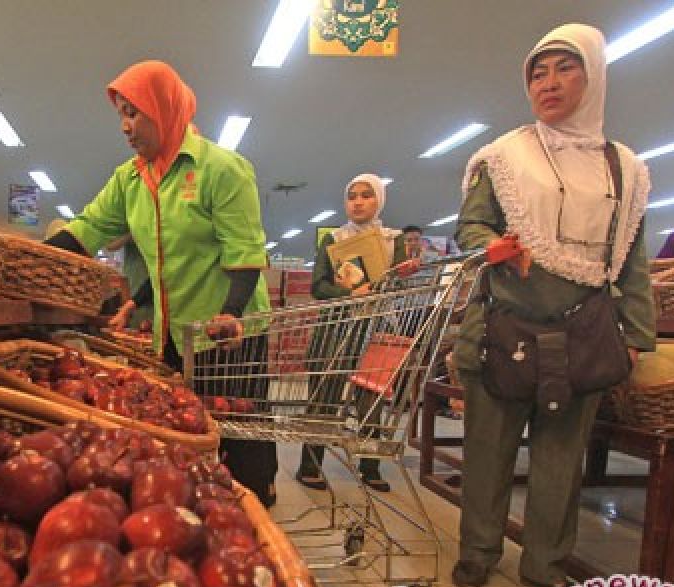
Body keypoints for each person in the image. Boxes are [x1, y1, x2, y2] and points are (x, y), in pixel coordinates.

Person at [449, 23, 654, 587]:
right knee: (489, 449)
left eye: (566, 68)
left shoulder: (624, 170)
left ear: (594, 77)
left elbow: (632, 257)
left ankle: (545, 563)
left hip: (582, 333)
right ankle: (478, 551)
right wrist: (492, 246)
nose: (549, 82)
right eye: (538, 72)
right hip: (503, 326)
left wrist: (636, 335)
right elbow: (471, 226)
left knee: (561, 460)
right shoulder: (504, 157)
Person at [44, 60, 278, 506]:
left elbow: (244, 254)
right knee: (188, 432)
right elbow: (89, 228)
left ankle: (256, 514)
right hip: (174, 335)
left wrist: (231, 313)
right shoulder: (130, 179)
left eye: (135, 113)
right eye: (121, 116)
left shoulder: (222, 169)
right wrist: (31, 255)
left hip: (229, 334)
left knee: (241, 435)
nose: (126, 127)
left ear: (164, 108)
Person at [294, 174, 418, 492]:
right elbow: (318, 286)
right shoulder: (333, 239)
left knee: (371, 402)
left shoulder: (394, 240)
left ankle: (370, 466)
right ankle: (310, 465)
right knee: (324, 397)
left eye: (366, 195)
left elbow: (402, 286)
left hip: (377, 327)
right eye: (352, 196)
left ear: (379, 200)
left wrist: (396, 279)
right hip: (336, 326)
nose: (358, 201)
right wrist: (349, 295)